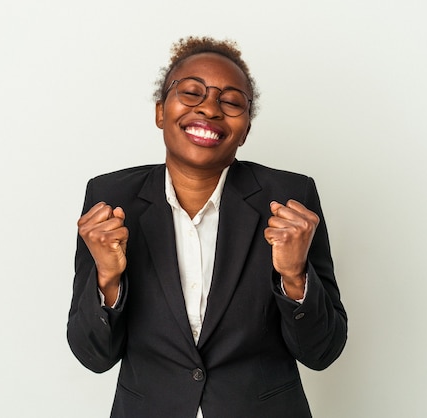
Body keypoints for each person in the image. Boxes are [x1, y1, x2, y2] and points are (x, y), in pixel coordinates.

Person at [67, 36, 347, 418]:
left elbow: (322, 352)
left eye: (231, 101)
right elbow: (93, 356)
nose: (211, 109)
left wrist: (295, 276)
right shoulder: (111, 201)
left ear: (245, 130)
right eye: (192, 92)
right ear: (161, 111)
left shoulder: (290, 198)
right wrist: (107, 280)